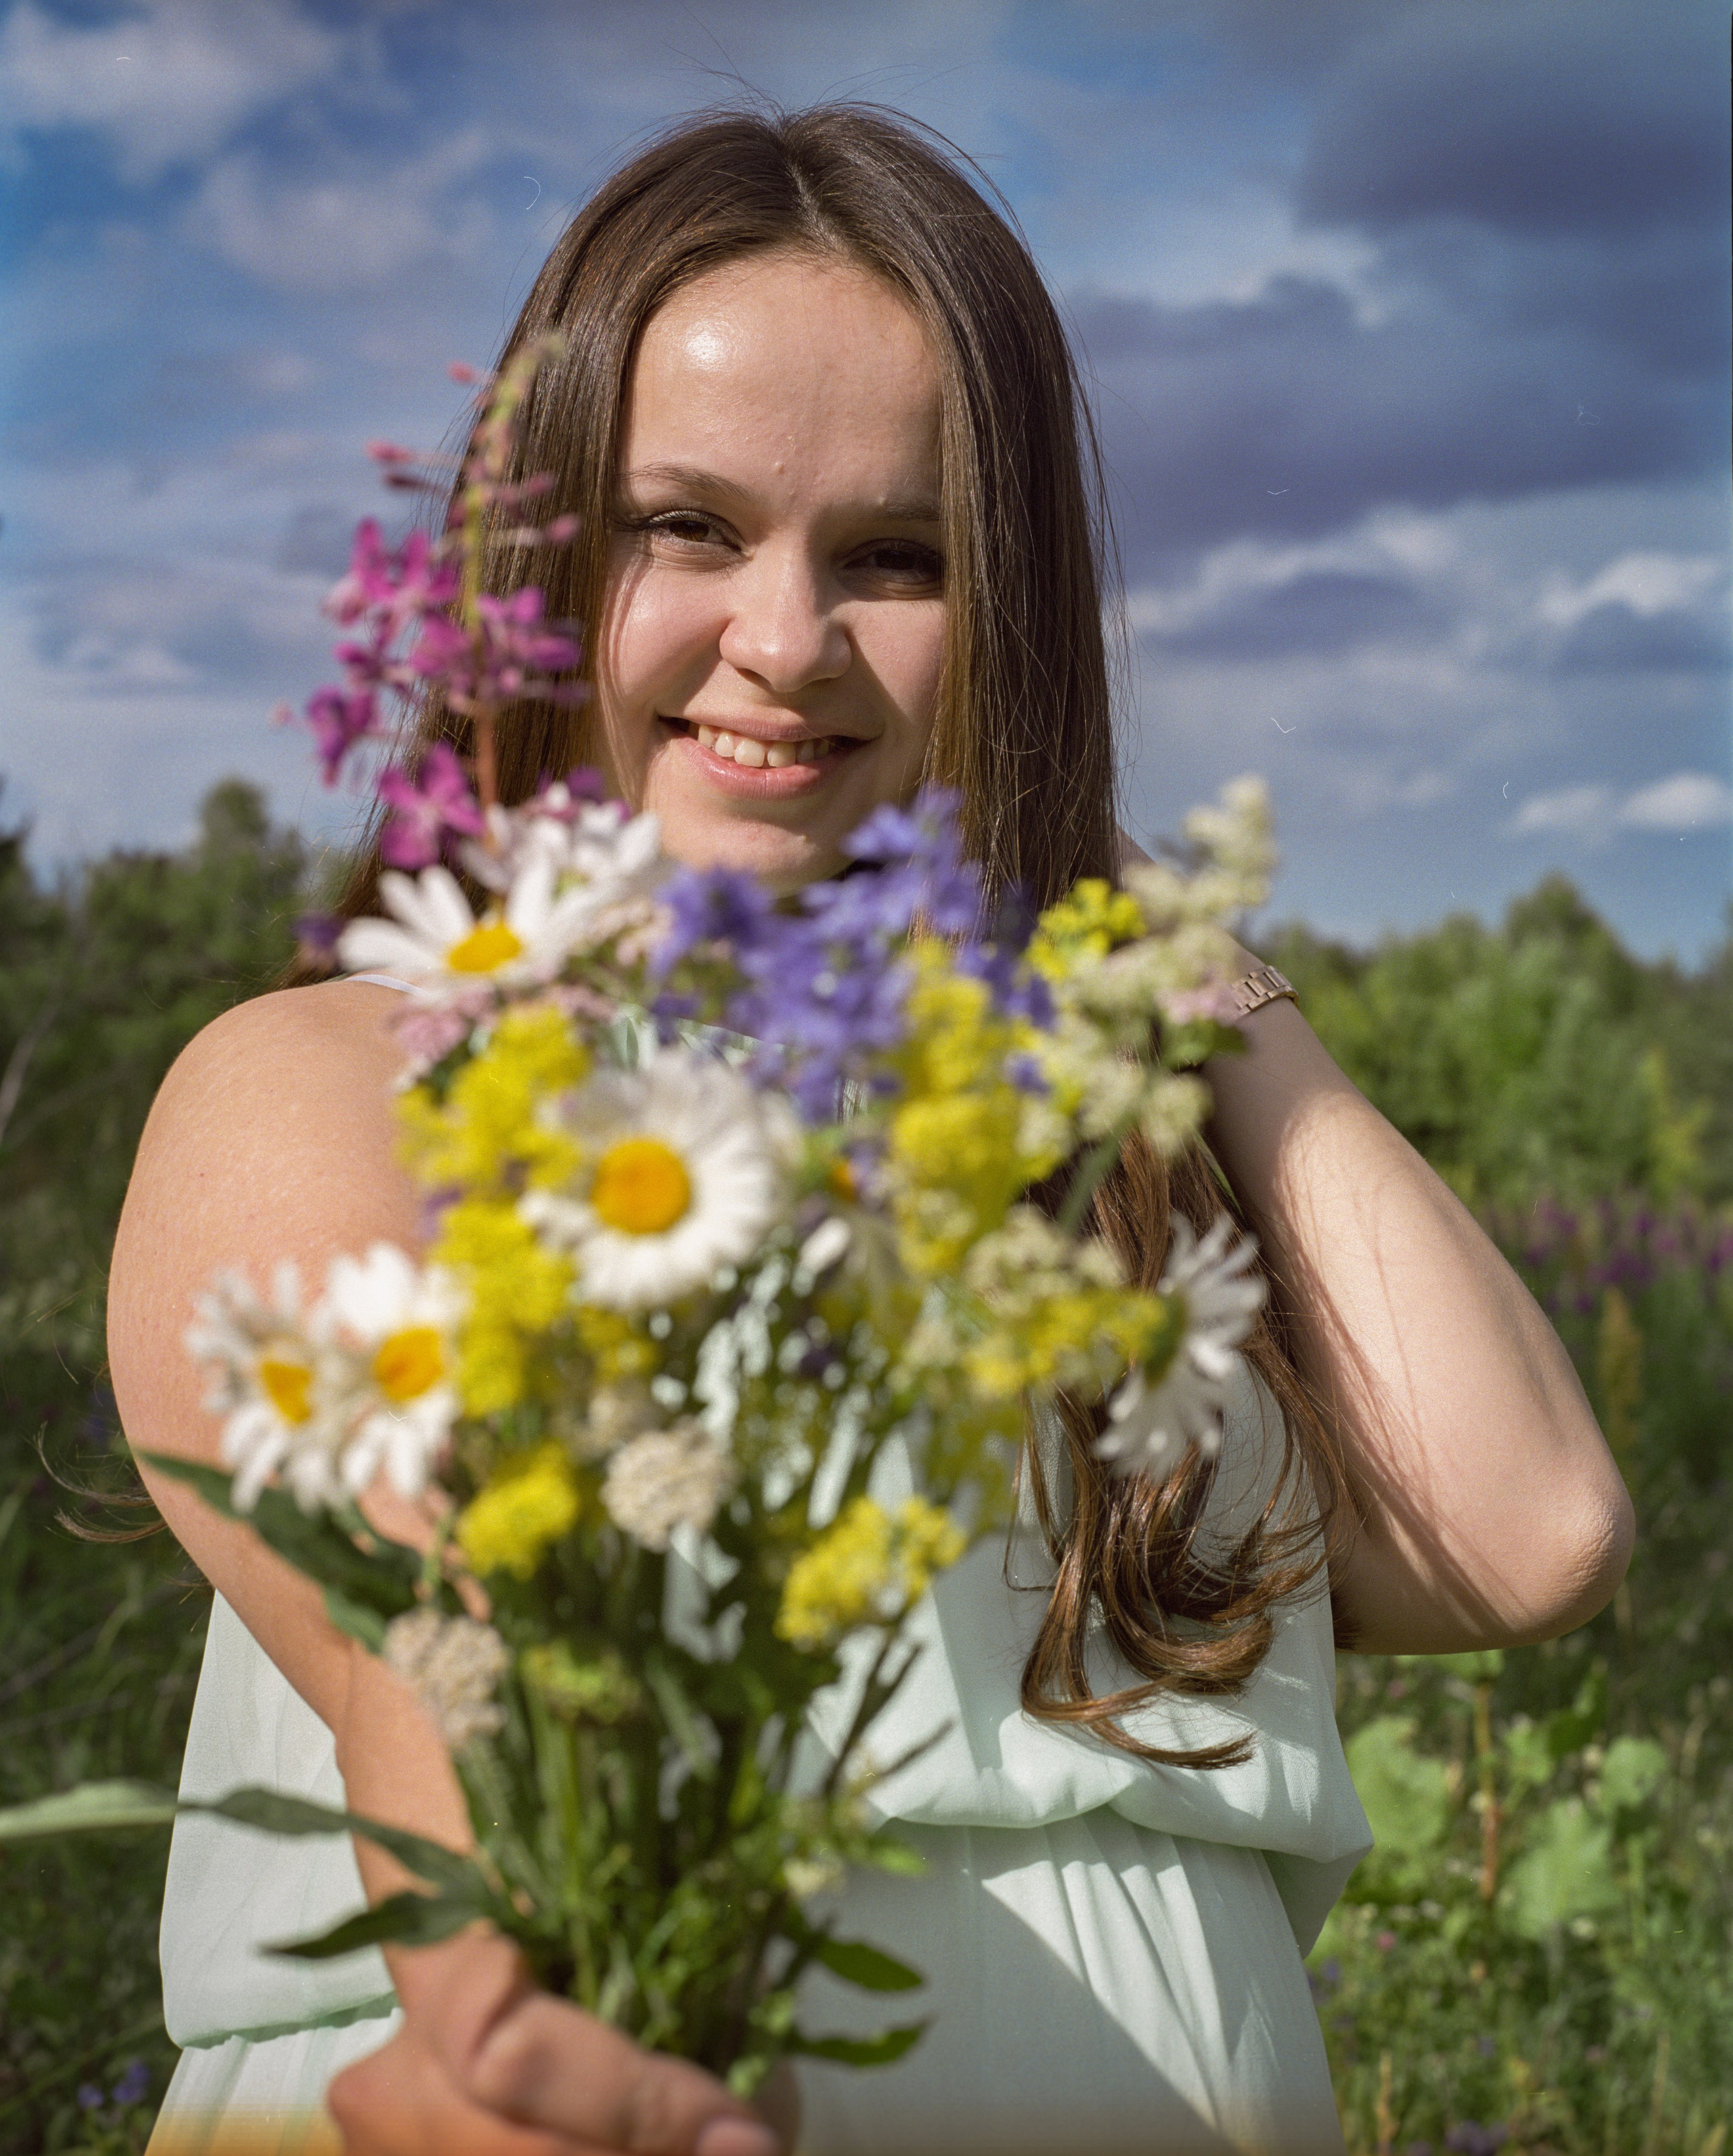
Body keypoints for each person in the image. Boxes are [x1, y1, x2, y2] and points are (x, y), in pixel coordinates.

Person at [110, 106, 1633, 2156]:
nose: (788, 637)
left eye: (899, 556)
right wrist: (499, 2012)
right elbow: (440, 1598)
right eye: (687, 524)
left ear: (1013, 607)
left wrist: (1148, 940)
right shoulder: (353, 1068)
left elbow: (1527, 1520)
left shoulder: (1093, 1167)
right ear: (540, 562)